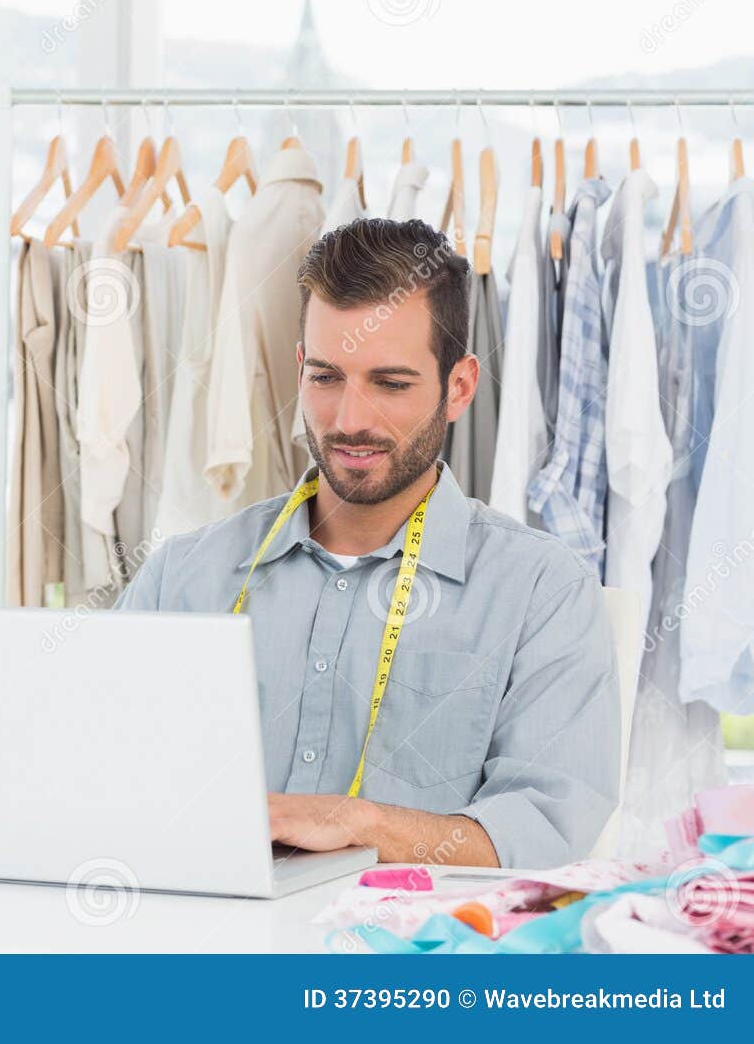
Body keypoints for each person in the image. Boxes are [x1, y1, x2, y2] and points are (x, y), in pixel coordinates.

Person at [115, 217, 619, 869]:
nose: (351, 419)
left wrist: (362, 823)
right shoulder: (183, 576)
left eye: (390, 383)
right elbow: (103, 771)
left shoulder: (543, 594)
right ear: (300, 370)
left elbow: (547, 828)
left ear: (459, 386)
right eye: (327, 377)